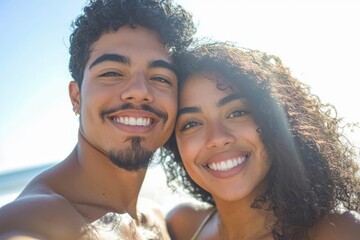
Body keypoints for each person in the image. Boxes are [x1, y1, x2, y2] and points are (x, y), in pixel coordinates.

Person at [0, 0, 195, 239]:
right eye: (112, 73)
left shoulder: (159, 220)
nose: (140, 91)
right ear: (76, 97)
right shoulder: (32, 219)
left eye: (161, 77)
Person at [161, 42, 360, 240]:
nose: (218, 138)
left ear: (274, 121)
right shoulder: (181, 226)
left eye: (237, 113)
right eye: (191, 124)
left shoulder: (338, 231)